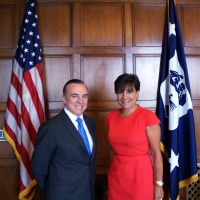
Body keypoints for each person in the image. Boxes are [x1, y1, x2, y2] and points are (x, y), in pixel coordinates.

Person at [31, 79, 97, 200]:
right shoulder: (50, 128)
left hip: (88, 194)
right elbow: (38, 166)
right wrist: (51, 191)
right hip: (61, 195)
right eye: (74, 96)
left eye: (84, 96)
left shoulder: (90, 123)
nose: (80, 101)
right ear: (64, 99)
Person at [106, 73, 164, 200]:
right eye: (120, 92)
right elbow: (112, 148)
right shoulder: (111, 117)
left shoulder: (148, 117)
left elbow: (156, 154)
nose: (124, 96)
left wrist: (158, 185)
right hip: (116, 175)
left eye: (130, 91)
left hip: (140, 176)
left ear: (137, 93)